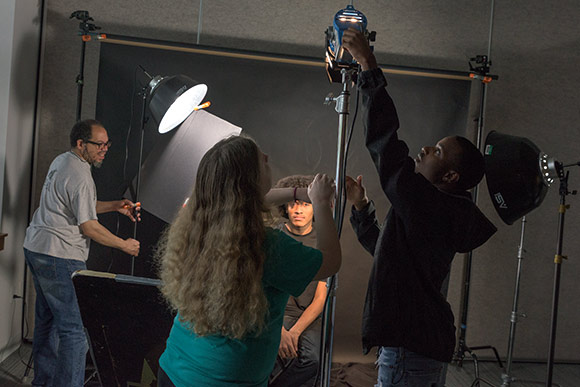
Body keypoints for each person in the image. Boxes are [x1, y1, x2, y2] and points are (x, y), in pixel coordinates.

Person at [340, 29, 497, 386]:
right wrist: (362, 208)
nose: (425, 150)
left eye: (437, 151)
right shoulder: (437, 210)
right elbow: (388, 252)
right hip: (415, 346)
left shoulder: (431, 204)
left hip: (410, 350)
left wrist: (368, 66)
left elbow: (387, 148)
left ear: (451, 175)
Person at [157, 136, 341, 387]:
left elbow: (243, 200)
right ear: (249, 181)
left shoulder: (197, 226)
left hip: (174, 368)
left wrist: (300, 193)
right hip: (224, 381)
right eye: (259, 158)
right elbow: (330, 263)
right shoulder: (267, 245)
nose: (266, 157)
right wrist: (320, 203)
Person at [23, 119, 141, 387]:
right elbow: (88, 227)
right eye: (99, 144)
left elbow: (78, 205)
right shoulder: (81, 175)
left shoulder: (62, 162)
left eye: (107, 144)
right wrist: (124, 244)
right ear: (80, 143)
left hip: (37, 249)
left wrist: (114, 206)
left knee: (47, 323)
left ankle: (43, 383)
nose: (104, 149)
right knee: (74, 332)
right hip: (58, 256)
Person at [269, 175, 328, 387]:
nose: (298, 210)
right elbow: (264, 294)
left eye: (305, 204)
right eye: (294, 204)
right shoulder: (274, 237)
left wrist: (294, 333)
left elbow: (321, 298)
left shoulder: (323, 242)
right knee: (263, 355)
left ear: (314, 208)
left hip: (309, 315)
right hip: (276, 313)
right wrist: (280, 331)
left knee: (312, 360)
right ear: (285, 207)